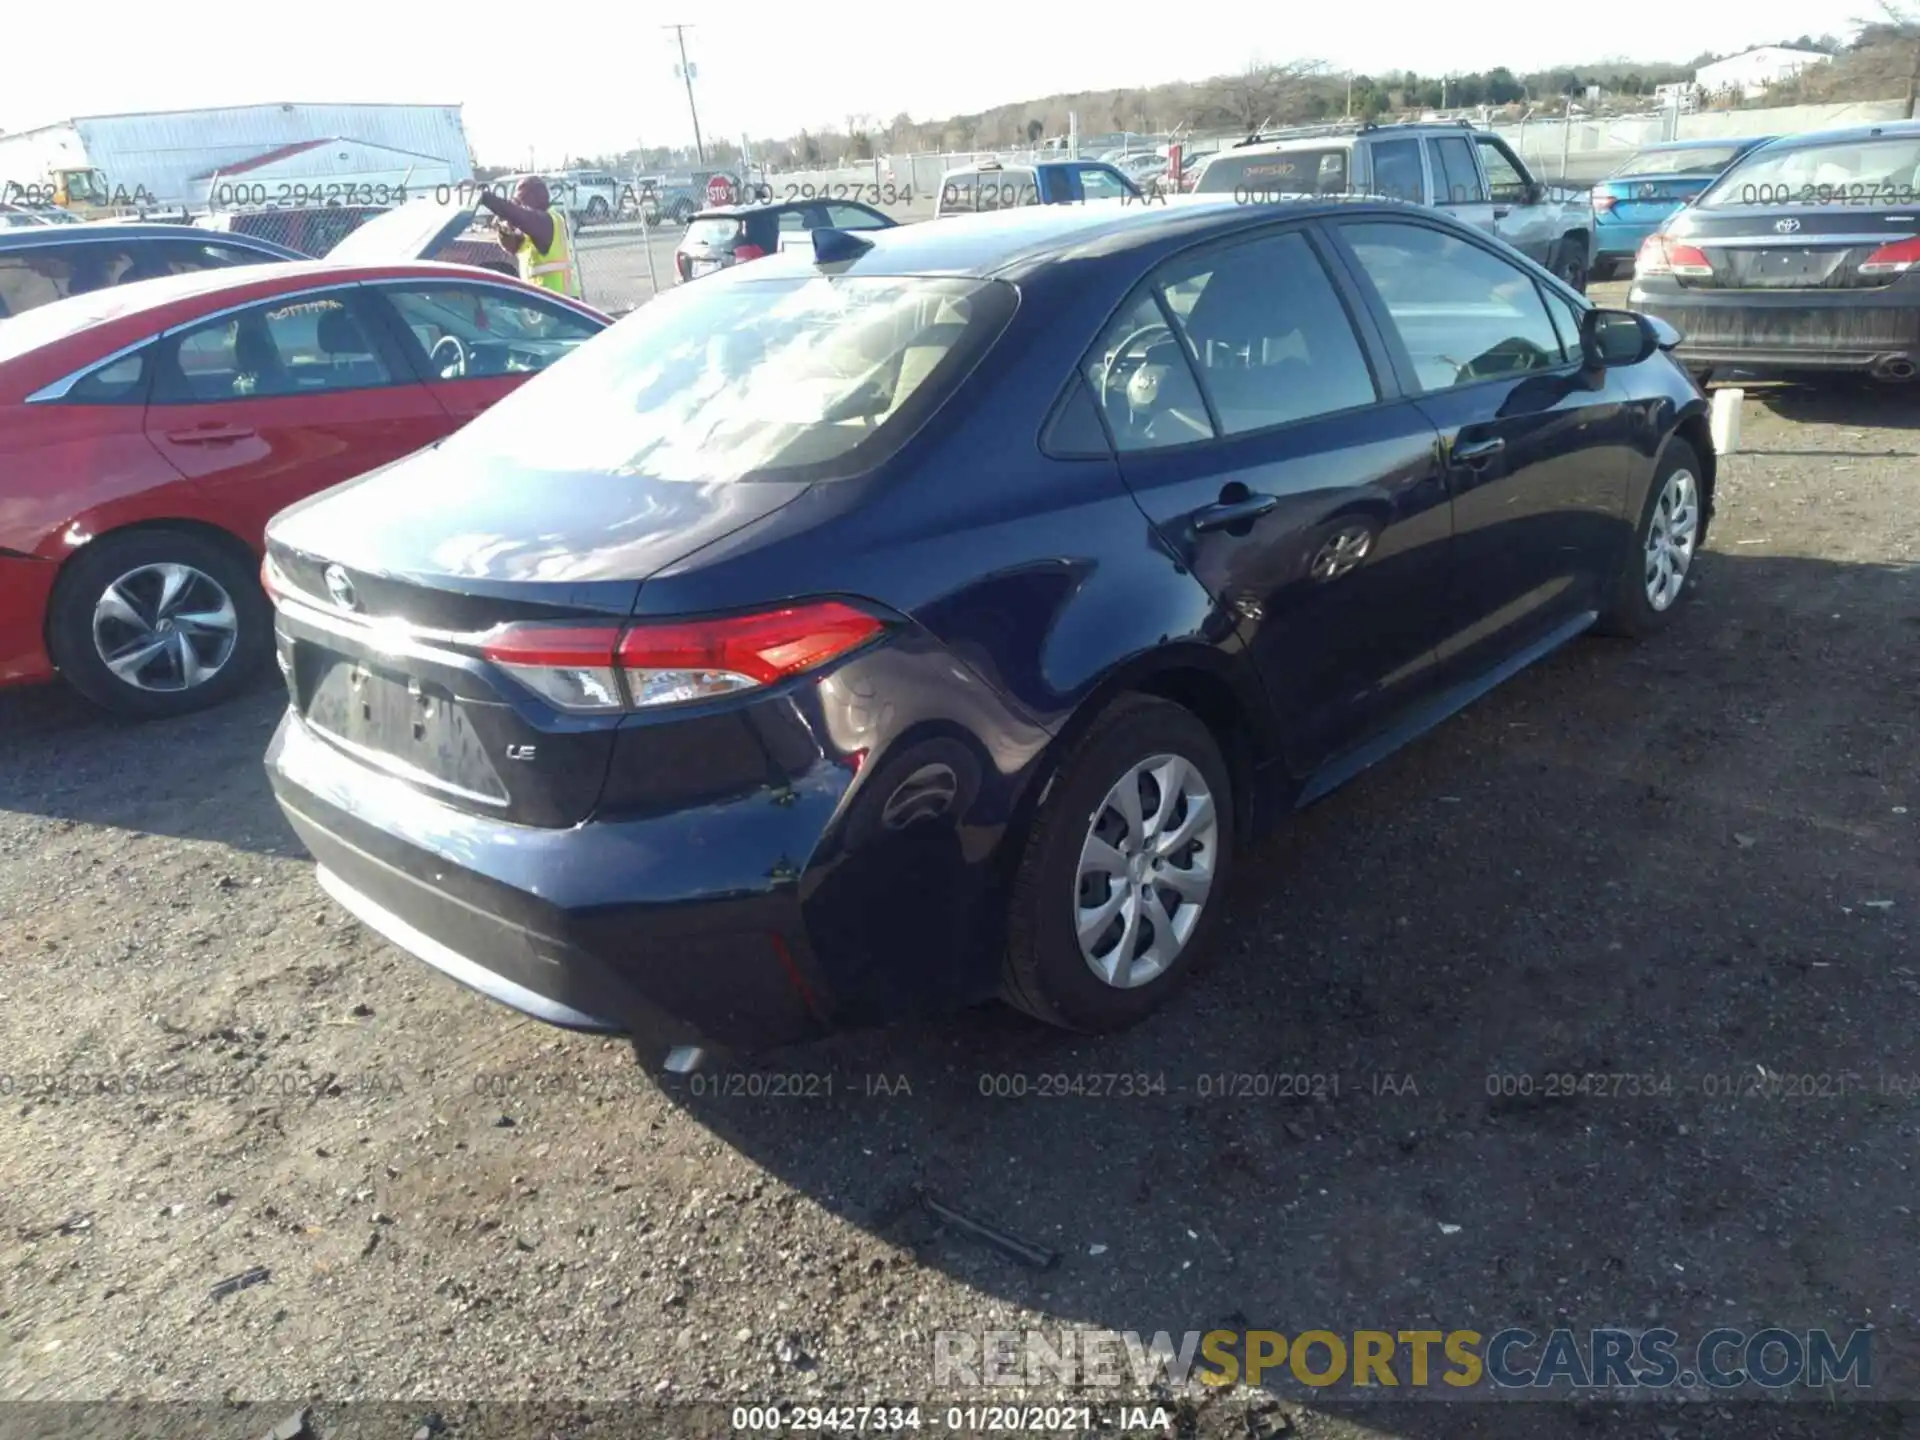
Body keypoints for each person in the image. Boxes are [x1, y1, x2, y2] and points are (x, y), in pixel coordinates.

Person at [476, 177, 581, 298]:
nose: (519, 206)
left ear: (533, 198)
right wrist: (503, 229)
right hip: (543, 301)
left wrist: (485, 197)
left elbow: (517, 215)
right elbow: (513, 247)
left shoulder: (545, 221)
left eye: (520, 201)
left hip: (559, 302)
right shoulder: (532, 228)